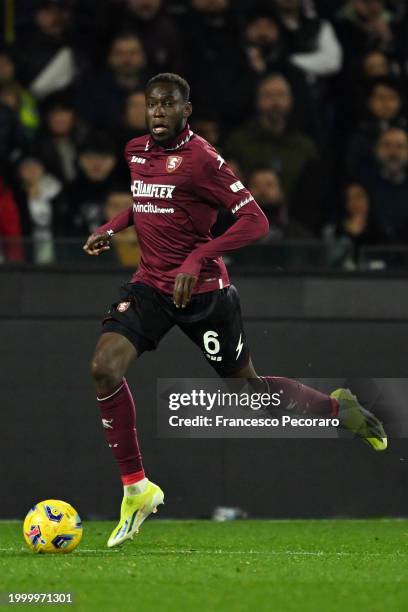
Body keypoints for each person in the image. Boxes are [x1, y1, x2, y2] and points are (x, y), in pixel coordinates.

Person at [82, 73, 387, 548]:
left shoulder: (203, 159)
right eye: (152, 104)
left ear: (187, 110)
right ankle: (137, 488)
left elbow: (256, 220)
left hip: (203, 294)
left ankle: (338, 408)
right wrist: (111, 225)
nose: (158, 112)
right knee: (104, 367)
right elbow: (147, 203)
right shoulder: (135, 150)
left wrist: (200, 256)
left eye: (168, 104)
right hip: (149, 287)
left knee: (251, 391)